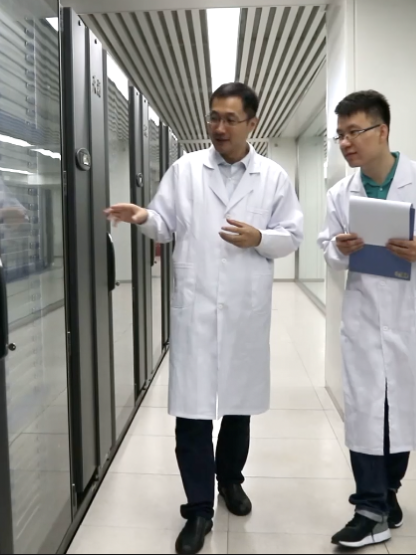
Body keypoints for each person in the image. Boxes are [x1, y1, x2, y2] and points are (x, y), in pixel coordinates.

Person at [106, 82, 304, 555]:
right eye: (214, 117)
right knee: (192, 414)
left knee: (237, 407)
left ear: (252, 123)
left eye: (230, 119)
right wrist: (143, 217)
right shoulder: (186, 169)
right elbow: (166, 225)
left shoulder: (273, 177)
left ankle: (230, 480)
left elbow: (292, 235)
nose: (219, 127)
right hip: (196, 309)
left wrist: (260, 238)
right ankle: (198, 510)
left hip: (243, 311)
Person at [317, 90, 416, 549]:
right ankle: (369, 510)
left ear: (382, 130)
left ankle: (388, 493)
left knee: (399, 410)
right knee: (366, 411)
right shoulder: (340, 193)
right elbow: (327, 248)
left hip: (413, 316)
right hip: (366, 317)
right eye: (339, 135)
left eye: (354, 132)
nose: (346, 143)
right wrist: (340, 249)